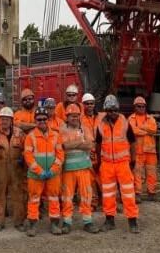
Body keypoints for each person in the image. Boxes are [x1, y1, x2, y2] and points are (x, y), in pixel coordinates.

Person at [97, 94, 139, 233]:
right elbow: (98, 144)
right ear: (106, 110)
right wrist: (98, 161)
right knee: (108, 194)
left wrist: (133, 160)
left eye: (115, 109)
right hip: (107, 164)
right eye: (110, 110)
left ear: (118, 109)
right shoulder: (101, 124)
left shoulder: (125, 122)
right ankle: (109, 220)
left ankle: (132, 221)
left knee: (128, 193)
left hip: (123, 164)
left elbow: (133, 142)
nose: (112, 112)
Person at [24, 106, 64, 236]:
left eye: (44, 119)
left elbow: (60, 155)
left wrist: (53, 170)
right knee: (34, 199)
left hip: (53, 175)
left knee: (53, 199)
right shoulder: (30, 136)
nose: (42, 121)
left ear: (48, 120)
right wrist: (39, 170)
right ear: (35, 120)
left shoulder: (56, 135)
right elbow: (28, 156)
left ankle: (54, 224)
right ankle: (32, 226)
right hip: (35, 175)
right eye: (39, 119)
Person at [60, 103, 98, 234]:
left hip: (84, 167)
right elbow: (64, 146)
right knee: (67, 196)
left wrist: (74, 144)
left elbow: (90, 145)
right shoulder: (62, 129)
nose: (74, 118)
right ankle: (66, 222)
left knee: (86, 195)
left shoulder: (85, 128)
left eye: (76, 116)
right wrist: (80, 142)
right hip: (68, 169)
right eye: (72, 116)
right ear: (67, 117)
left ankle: (88, 221)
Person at [0, 106, 26, 232]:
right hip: (0, 169)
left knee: (18, 195)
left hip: (16, 169)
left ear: (11, 120)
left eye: (6, 119)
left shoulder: (19, 133)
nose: (4, 122)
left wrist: (24, 164)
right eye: (2, 119)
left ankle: (19, 222)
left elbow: (25, 150)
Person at [128, 96, 159, 202]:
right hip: (138, 151)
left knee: (152, 173)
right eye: (139, 106)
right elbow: (133, 131)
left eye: (143, 106)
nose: (141, 108)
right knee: (137, 174)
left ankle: (152, 193)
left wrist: (141, 128)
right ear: (135, 107)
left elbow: (153, 129)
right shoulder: (131, 118)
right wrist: (146, 130)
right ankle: (138, 194)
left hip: (150, 151)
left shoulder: (151, 118)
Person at [80, 93, 101, 209]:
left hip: (100, 150)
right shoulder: (80, 119)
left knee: (103, 178)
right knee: (90, 180)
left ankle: (107, 202)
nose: (89, 106)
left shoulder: (100, 117)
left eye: (91, 103)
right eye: (87, 104)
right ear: (83, 105)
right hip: (88, 152)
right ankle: (93, 202)